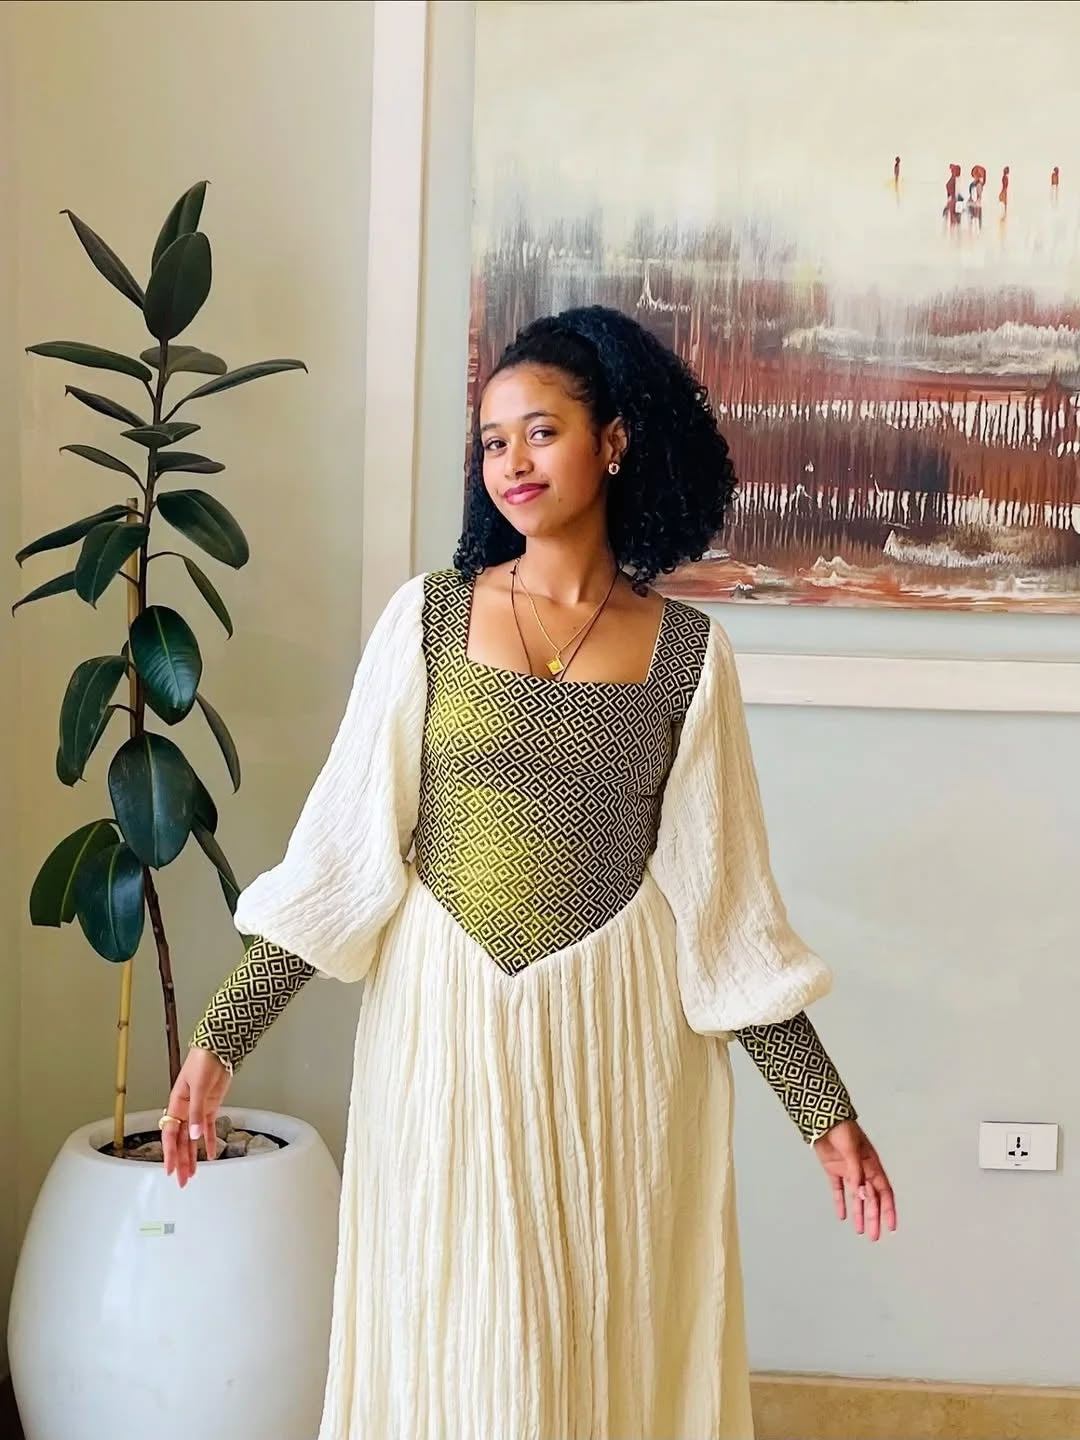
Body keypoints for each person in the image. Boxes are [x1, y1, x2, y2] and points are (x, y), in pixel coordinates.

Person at [160, 306, 897, 1439]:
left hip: (623, 1044)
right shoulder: (427, 620)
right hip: (442, 1029)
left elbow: (727, 916)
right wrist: (218, 1040)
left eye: (539, 432)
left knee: (602, 1333)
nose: (512, 462)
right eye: (492, 440)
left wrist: (825, 1113)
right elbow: (343, 863)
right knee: (447, 1330)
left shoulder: (692, 655)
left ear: (613, 439)